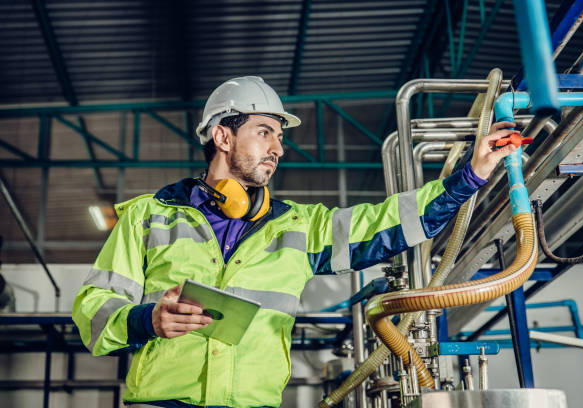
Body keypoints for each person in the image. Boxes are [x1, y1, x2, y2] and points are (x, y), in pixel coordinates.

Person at [72, 76, 517, 408]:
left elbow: (386, 224)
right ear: (223, 136)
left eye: (280, 137)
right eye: (265, 131)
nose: (278, 148)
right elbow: (93, 309)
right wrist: (147, 319)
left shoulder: (300, 227)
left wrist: (469, 177)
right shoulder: (149, 216)